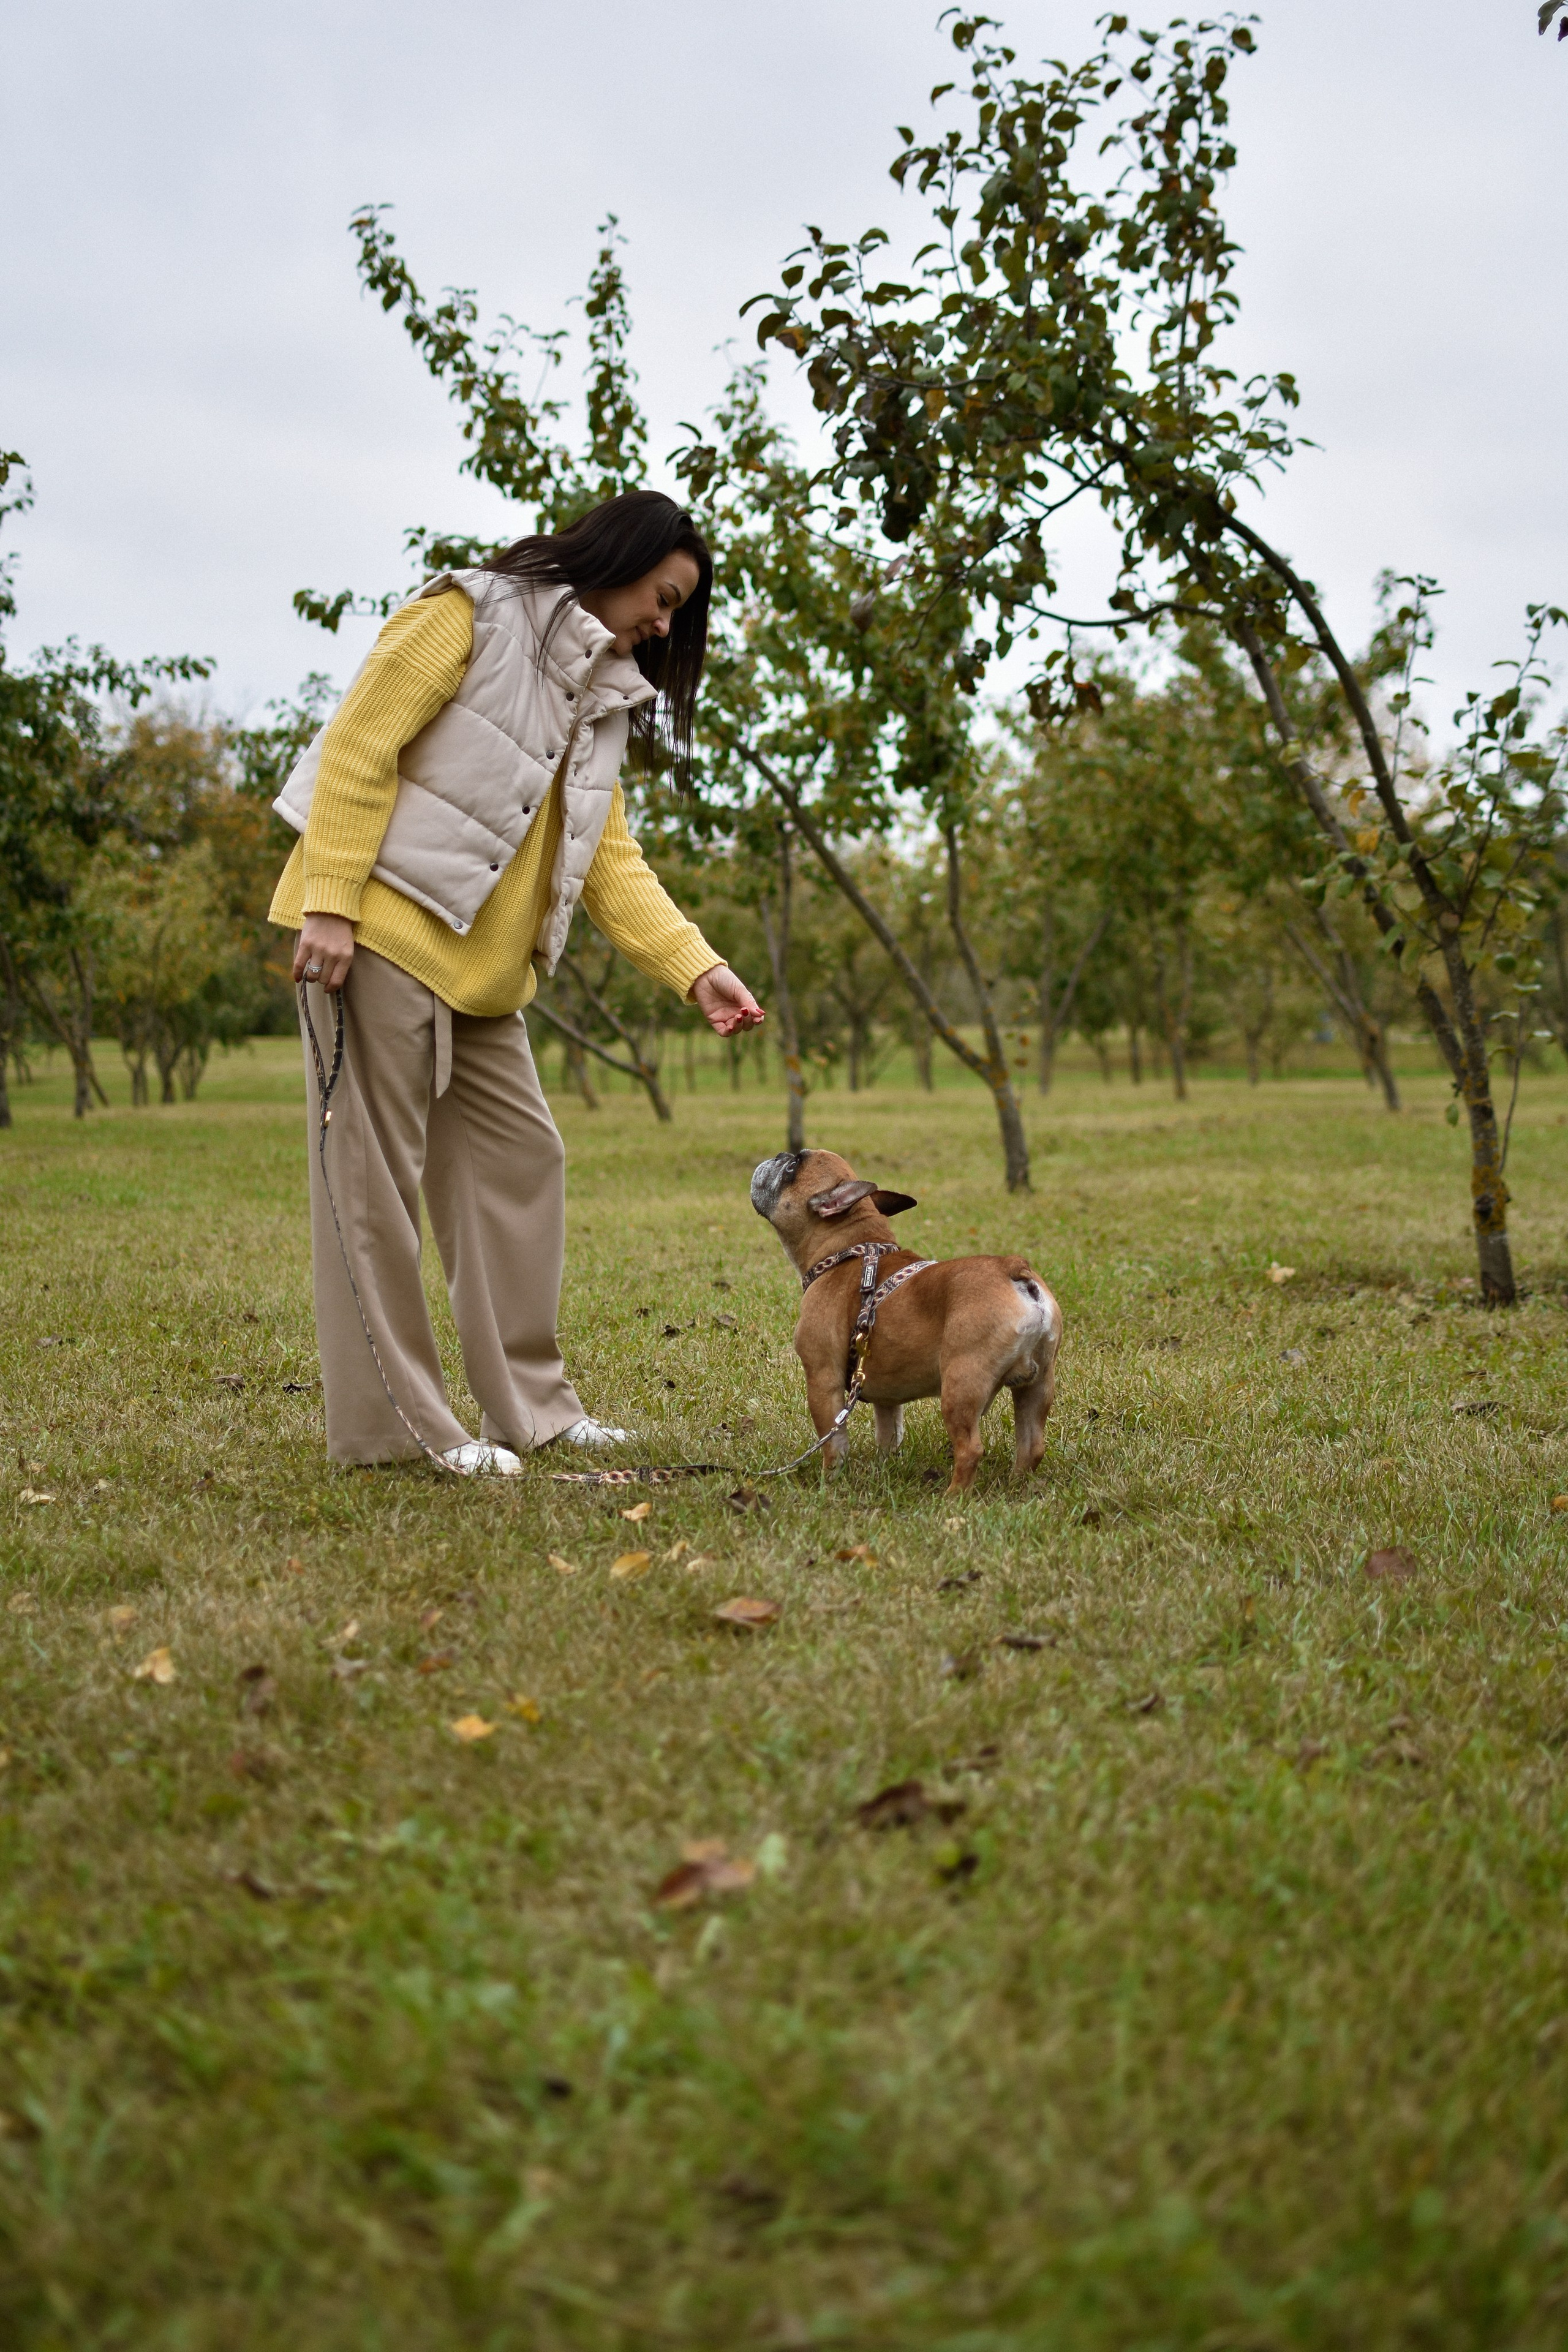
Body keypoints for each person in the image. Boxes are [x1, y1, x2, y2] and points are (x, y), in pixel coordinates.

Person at [267, 489, 764, 1474]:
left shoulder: (608, 693)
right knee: (371, 1196)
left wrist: (695, 967)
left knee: (523, 1166)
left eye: (677, 612)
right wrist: (330, 901)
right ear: (618, 557)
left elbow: (605, 855)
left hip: (489, 981)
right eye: (662, 598)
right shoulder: (470, 612)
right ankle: (401, 1432)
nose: (663, 625)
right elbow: (359, 749)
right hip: (385, 937)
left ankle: (533, 1410)